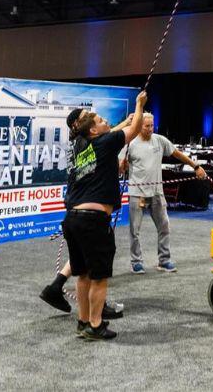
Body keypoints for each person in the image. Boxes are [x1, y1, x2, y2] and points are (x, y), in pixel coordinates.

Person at [60, 91, 146, 342]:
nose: (105, 120)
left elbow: (113, 131)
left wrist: (122, 123)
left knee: (83, 274)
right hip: (93, 221)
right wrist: (139, 105)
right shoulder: (106, 142)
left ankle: (83, 321)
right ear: (93, 130)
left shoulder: (81, 147)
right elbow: (134, 130)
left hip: (73, 219)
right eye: (99, 120)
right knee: (99, 277)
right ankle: (96, 325)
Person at [121, 113, 208, 274]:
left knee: (164, 226)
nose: (150, 129)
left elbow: (177, 153)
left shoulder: (159, 140)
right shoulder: (130, 143)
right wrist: (123, 165)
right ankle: (136, 262)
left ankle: (164, 260)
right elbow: (120, 168)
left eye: (152, 125)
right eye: (147, 126)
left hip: (156, 192)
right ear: (139, 126)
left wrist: (195, 166)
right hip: (137, 193)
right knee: (135, 230)